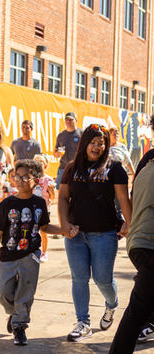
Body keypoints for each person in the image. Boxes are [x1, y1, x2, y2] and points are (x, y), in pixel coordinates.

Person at [58, 124, 132, 342]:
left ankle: (111, 304)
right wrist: (63, 224)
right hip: (76, 234)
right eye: (93, 142)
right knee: (79, 279)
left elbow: (123, 200)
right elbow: (62, 197)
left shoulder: (115, 168)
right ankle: (83, 322)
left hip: (105, 235)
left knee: (102, 280)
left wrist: (131, 225)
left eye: (101, 143)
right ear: (84, 144)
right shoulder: (73, 168)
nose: (97, 146)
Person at [0, 159, 70, 346]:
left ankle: (19, 326)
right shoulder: (6, 204)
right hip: (8, 256)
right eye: (18, 177)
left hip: (30, 256)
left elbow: (45, 226)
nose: (21, 180)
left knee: (25, 292)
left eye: (26, 177)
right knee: (4, 291)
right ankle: (15, 313)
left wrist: (64, 230)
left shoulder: (39, 203)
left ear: (37, 180)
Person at [101, 159, 154, 354]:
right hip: (150, 245)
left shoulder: (148, 165)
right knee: (137, 312)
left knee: (138, 312)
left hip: (140, 243)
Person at [33, 154, 56, 262]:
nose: (38, 164)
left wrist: (51, 191)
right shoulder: (31, 179)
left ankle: (44, 252)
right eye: (36, 162)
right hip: (31, 209)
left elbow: (53, 197)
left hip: (44, 209)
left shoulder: (48, 179)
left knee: (43, 231)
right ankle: (32, 252)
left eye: (41, 162)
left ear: (45, 165)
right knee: (31, 231)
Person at [54, 112, 83, 189]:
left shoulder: (81, 133)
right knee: (58, 189)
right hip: (63, 168)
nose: (68, 122)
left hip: (77, 168)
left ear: (76, 121)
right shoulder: (61, 135)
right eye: (66, 119)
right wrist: (57, 153)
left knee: (77, 191)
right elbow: (55, 152)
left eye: (71, 120)